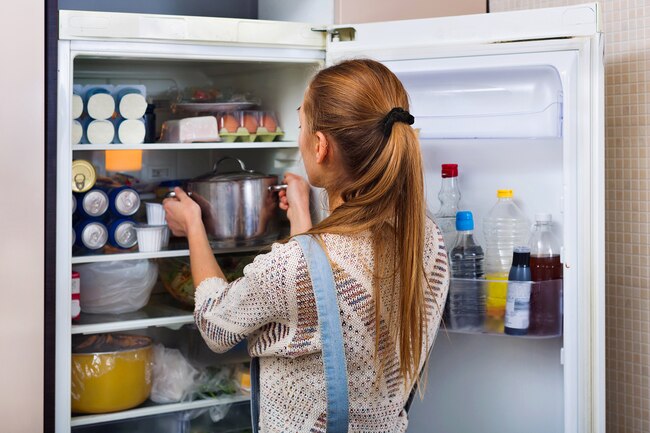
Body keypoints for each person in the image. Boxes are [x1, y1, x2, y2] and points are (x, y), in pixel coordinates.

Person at [164, 59, 450, 433]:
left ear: (320, 146)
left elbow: (215, 325)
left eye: (301, 126)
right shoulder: (427, 240)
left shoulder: (291, 265)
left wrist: (194, 225)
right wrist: (301, 211)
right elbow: (323, 299)